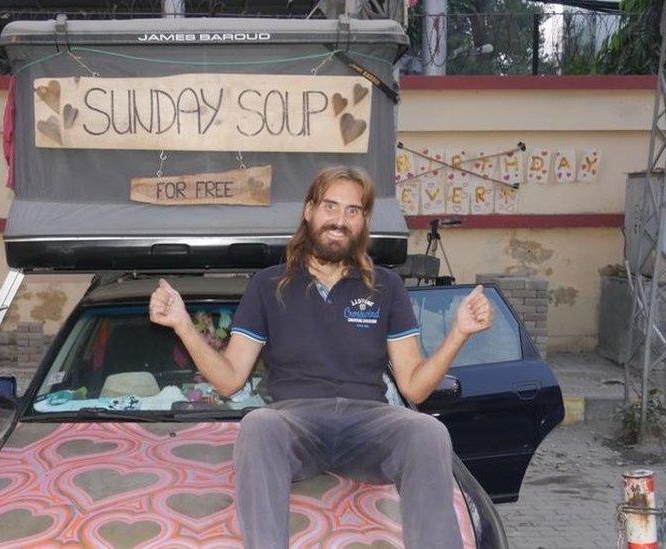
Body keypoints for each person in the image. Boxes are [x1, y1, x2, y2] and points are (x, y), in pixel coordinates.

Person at [149, 166, 493, 548]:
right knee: (259, 424)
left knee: (428, 431)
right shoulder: (267, 285)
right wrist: (183, 325)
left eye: (353, 211)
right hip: (295, 420)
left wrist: (458, 333)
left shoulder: (387, 286)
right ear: (309, 210)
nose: (340, 221)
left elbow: (415, 386)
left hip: (370, 423)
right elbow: (230, 378)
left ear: (363, 222)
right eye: (331, 206)